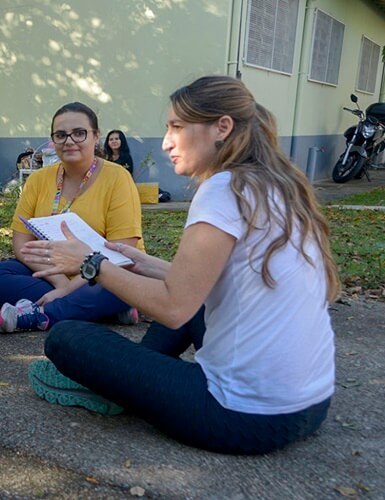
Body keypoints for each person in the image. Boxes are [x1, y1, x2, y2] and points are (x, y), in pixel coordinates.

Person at [23, 76, 338, 455]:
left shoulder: (223, 189)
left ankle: (124, 386)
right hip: (311, 404)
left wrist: (91, 263)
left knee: (67, 337)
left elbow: (174, 307)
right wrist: (141, 264)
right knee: (181, 311)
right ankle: (134, 381)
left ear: (221, 127)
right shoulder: (276, 185)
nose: (166, 142)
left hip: (246, 416)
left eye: (176, 127)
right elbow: (209, 282)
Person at [0, 102, 143, 332]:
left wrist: (69, 288)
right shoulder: (38, 180)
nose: (69, 141)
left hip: (104, 272)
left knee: (120, 286)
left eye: (79, 133)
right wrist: (61, 283)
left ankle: (42, 315)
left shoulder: (118, 178)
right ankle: (102, 309)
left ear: (96, 136)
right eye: (61, 135)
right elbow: (22, 244)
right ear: (52, 140)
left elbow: (122, 252)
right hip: (51, 272)